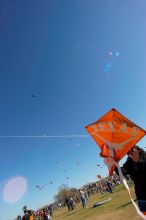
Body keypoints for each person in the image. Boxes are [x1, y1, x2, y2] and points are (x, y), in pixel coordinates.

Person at [115, 145, 146, 215]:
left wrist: (138, 161)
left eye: (132, 149)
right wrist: (114, 164)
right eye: (128, 151)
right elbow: (121, 173)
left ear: (138, 149)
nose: (130, 152)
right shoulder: (128, 163)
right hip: (141, 196)